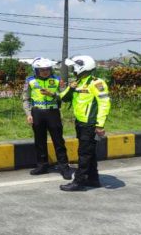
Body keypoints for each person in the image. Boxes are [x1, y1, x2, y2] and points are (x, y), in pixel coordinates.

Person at [59, 55, 111, 191]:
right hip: (80, 123)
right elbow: (63, 98)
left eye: (74, 67)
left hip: (90, 124)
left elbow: (104, 103)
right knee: (90, 153)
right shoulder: (78, 82)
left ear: (81, 67)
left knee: (84, 153)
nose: (72, 70)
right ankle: (93, 179)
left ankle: (79, 182)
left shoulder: (97, 83)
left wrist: (100, 124)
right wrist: (70, 88)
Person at [23, 57, 72, 180]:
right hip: (37, 113)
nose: (45, 72)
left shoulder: (57, 80)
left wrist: (52, 94)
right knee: (39, 141)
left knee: (58, 141)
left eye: (47, 69)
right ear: (36, 70)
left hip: (53, 112)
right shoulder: (30, 81)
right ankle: (42, 165)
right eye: (41, 70)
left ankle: (64, 166)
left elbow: (64, 96)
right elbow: (26, 99)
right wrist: (28, 114)